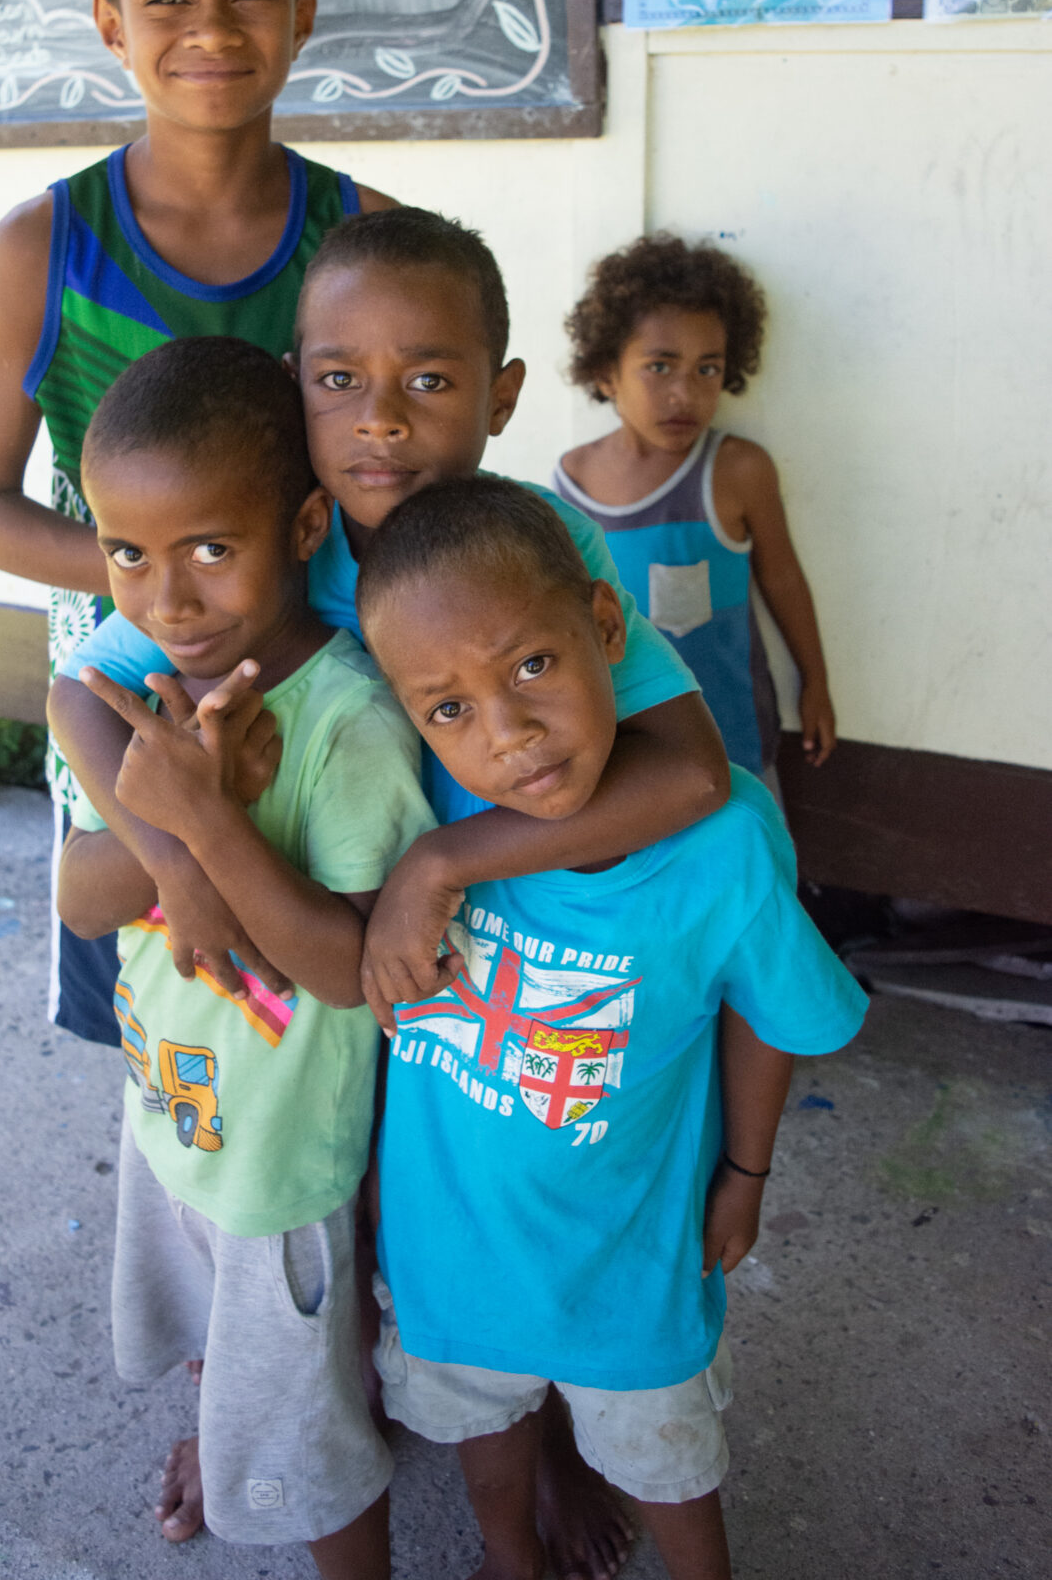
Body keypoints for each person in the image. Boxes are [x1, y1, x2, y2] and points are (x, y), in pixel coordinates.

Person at [52, 207, 731, 1576]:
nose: (379, 423)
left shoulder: (522, 540)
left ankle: (529, 1457)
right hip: (323, 1008)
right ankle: (269, 1417)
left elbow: (691, 774)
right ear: (292, 376)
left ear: (499, 395)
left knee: (475, 1225)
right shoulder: (260, 542)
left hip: (496, 979)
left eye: (428, 381)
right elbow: (84, 688)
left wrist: (442, 862)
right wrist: (179, 852)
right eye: (336, 379)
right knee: (334, 1231)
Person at [356, 478, 868, 1580]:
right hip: (454, 1252)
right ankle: (511, 1557)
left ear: (603, 624)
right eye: (448, 707)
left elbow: (771, 1010)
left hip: (632, 1261)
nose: (509, 735)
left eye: (532, 664)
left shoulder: (723, 835)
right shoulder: (428, 814)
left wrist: (745, 1171)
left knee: (669, 1466)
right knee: (483, 1439)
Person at [0, 0, 397, 1046]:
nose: (213, 28)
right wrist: (153, 575)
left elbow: (406, 462)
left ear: (302, 14)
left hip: (331, 660)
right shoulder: (42, 248)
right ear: (108, 21)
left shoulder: (364, 242)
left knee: (333, 983)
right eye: (168, 0)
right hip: (123, 685)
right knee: (167, 994)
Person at [55, 336, 436, 1578]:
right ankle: (221, 1434)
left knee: (315, 1441)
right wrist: (176, 859)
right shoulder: (142, 688)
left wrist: (214, 823)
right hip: (171, 1109)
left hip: (282, 1170)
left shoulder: (350, 727)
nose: (167, 598)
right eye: (128, 553)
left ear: (308, 527)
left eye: (212, 548)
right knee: (228, 1357)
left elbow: (346, 968)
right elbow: (77, 892)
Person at [556, 233, 835, 791]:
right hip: (625, 744)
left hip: (734, 740)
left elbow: (781, 576)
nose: (685, 393)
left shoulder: (738, 471)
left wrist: (816, 681)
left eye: (707, 369)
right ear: (607, 372)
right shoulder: (573, 480)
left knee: (745, 864)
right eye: (659, 366)